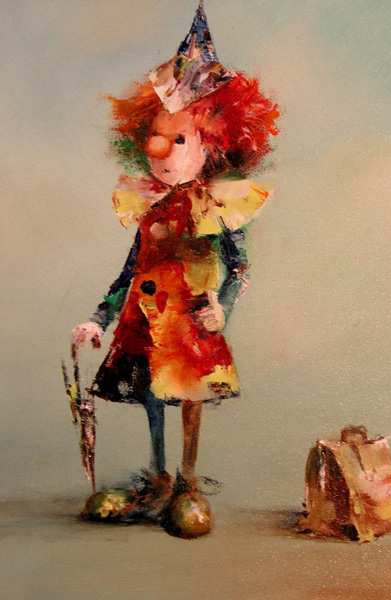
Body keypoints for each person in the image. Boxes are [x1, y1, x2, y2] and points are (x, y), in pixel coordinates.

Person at [71, 1, 278, 534]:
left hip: (189, 321)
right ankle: (159, 477)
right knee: (150, 394)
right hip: (145, 320)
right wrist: (98, 318)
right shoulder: (150, 205)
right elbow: (128, 272)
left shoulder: (219, 206)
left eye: (179, 138)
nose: (160, 149)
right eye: (157, 136)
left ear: (214, 145)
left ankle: (187, 480)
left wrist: (222, 310)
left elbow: (239, 269)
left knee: (187, 395)